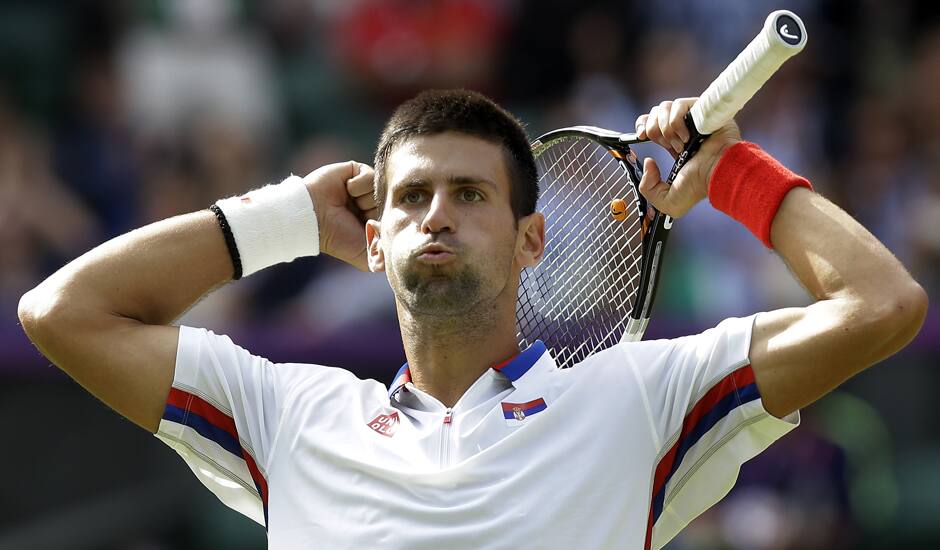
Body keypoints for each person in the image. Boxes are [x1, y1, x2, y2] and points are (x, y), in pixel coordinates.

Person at [18, 90, 927, 549]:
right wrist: (287, 216)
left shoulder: (643, 400)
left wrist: (735, 176)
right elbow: (62, 313)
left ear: (532, 239)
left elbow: (881, 305)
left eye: (469, 194)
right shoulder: (285, 416)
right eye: (411, 198)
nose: (437, 214)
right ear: (375, 243)